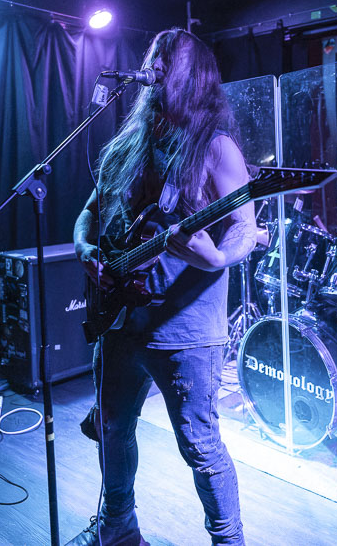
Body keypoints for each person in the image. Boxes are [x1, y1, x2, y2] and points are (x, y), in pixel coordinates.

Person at [71, 29, 256, 546]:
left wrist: (216, 257)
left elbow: (245, 227)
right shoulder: (127, 146)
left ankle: (229, 541)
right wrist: (86, 251)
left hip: (185, 327)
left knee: (199, 445)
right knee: (112, 427)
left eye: (167, 59)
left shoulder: (215, 147)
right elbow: (88, 213)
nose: (154, 66)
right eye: (153, 56)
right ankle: (117, 530)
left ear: (194, 76)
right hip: (119, 320)